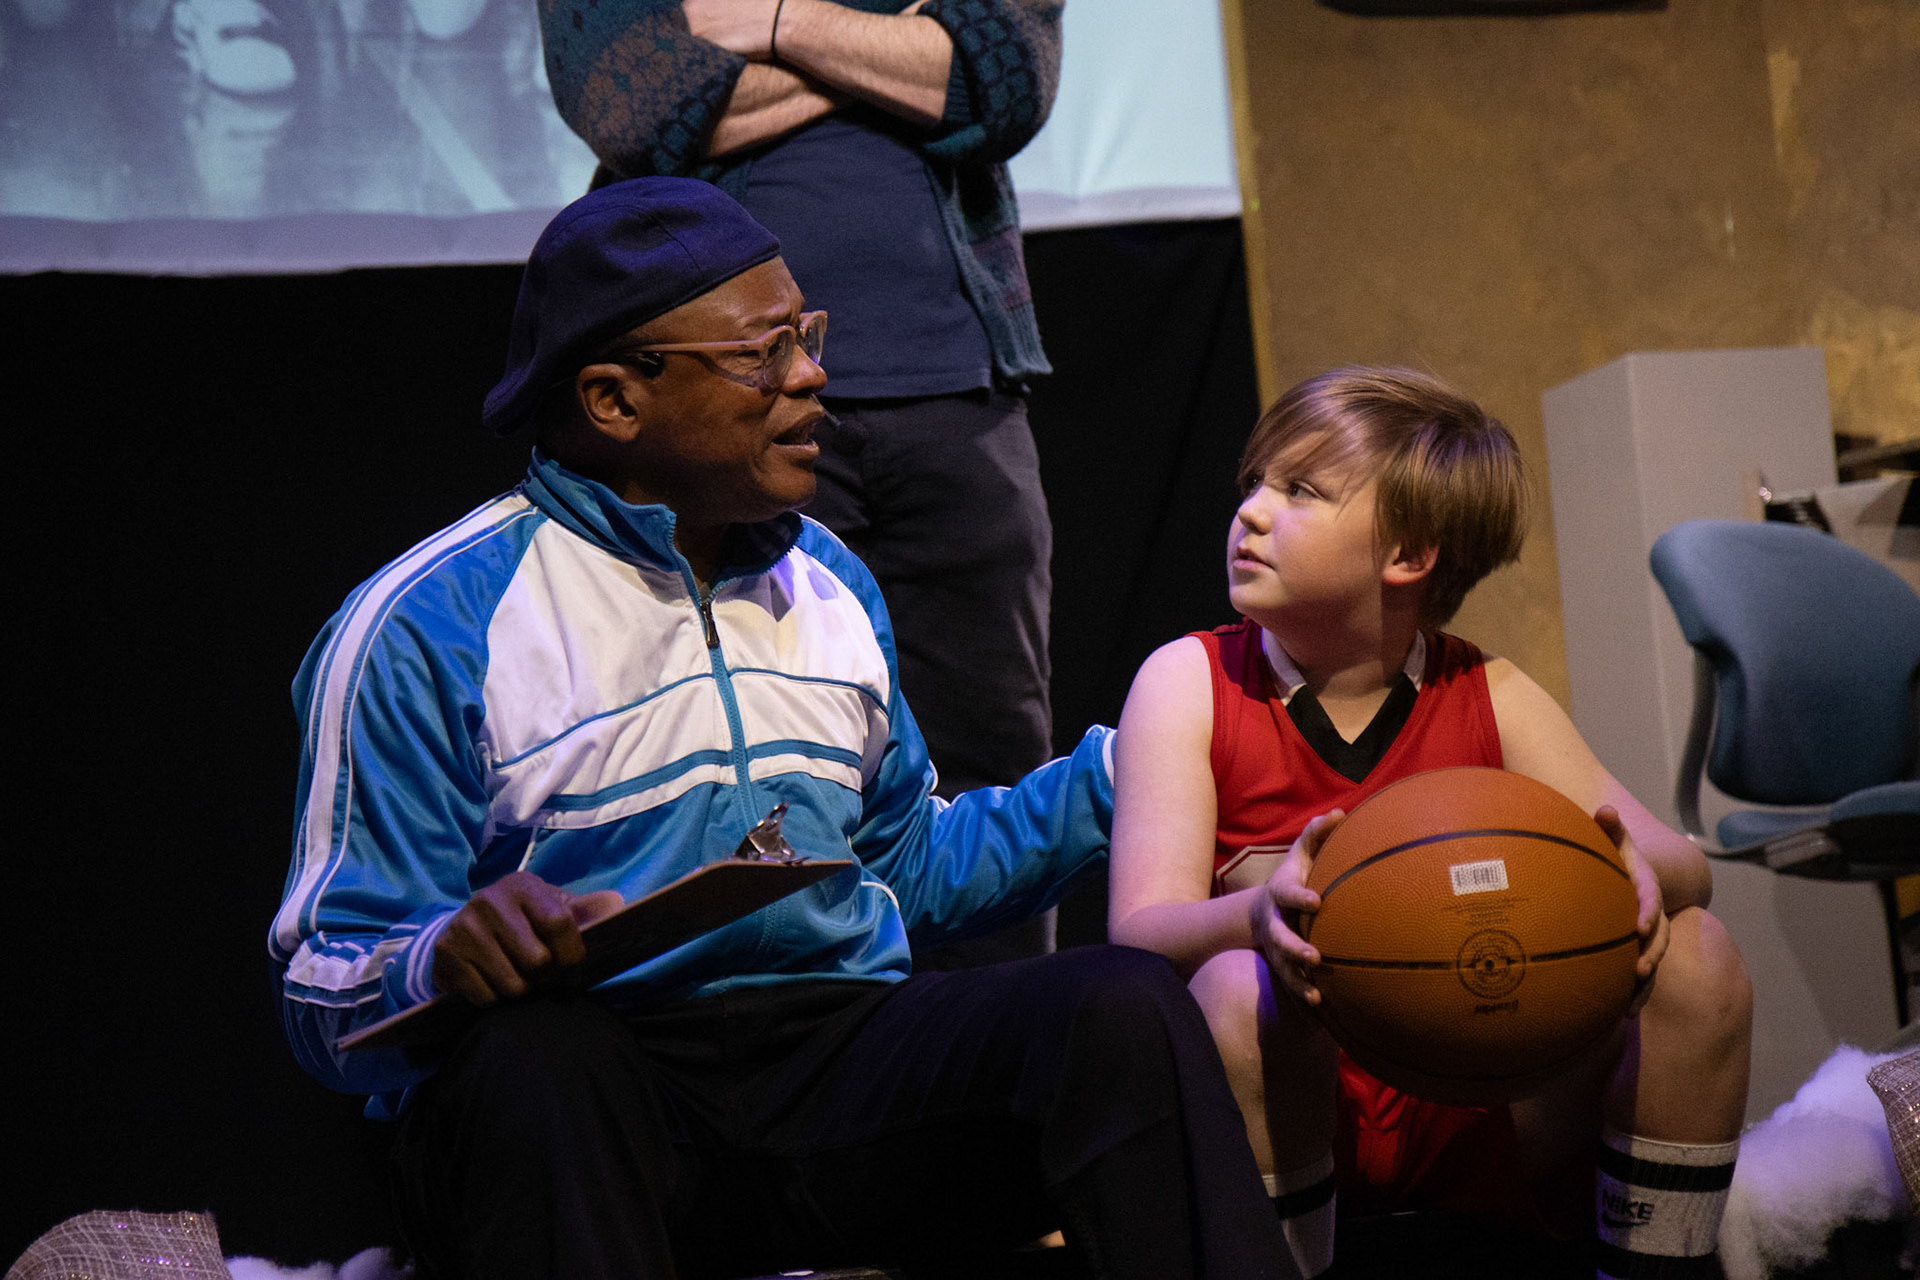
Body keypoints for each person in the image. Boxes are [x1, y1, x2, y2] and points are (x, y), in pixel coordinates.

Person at [269, 176, 1297, 1280]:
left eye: (807, 335)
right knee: (539, 1057)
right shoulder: (428, 624)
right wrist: (438, 956)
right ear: (614, 399)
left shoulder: (829, 581)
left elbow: (906, 867)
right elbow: (323, 984)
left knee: (1118, 1008)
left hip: (828, 1066)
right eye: (763, 354)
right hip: (598, 1106)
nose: (811, 375)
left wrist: (1157, 757)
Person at [1107, 368, 1754, 1280]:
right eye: (1254, 482)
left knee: (1699, 954)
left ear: (1408, 555)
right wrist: (1256, 916)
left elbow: (1681, 863)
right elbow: (1138, 933)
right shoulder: (1188, 681)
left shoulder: (1488, 689)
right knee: (1236, 988)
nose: (1250, 511)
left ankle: (1655, 1267)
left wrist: (1636, 875)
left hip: (1483, 1079)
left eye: (1300, 491)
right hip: (1296, 1095)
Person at [536, 2, 1061, 964]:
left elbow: (1001, 83)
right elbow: (631, 105)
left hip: (960, 393)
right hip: (721, 420)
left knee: (994, 761)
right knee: (752, 755)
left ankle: (997, 1042)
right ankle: (802, 1030)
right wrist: (892, 62)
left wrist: (773, 21)